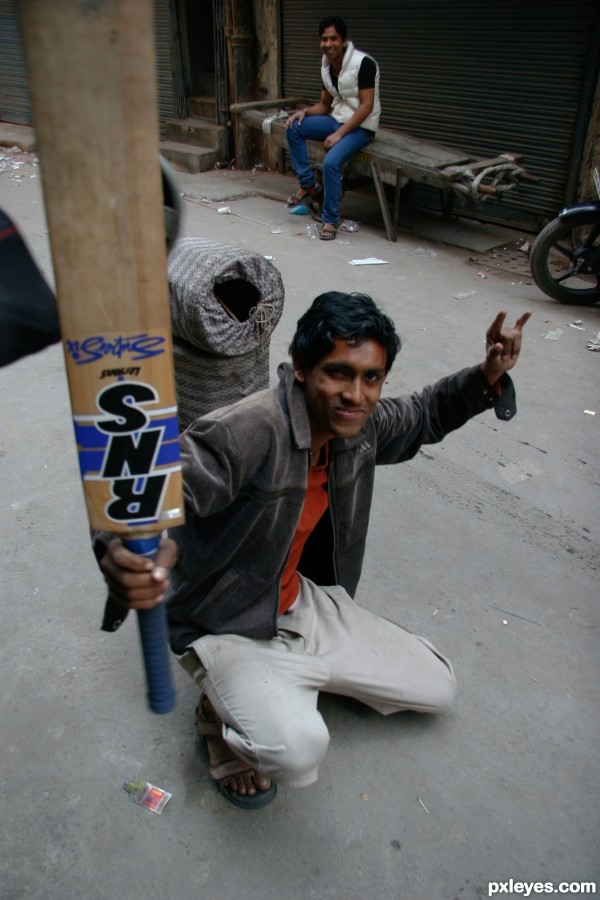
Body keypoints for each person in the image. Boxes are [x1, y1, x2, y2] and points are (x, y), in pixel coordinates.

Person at [98, 293, 531, 810]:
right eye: (339, 373)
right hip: (227, 620)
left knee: (439, 687)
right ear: (301, 368)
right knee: (298, 750)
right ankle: (220, 712)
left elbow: (422, 415)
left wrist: (486, 374)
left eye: (371, 378)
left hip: (297, 602)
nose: (356, 394)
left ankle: (291, 678)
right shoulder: (249, 429)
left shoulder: (358, 427)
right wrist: (124, 551)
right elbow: (152, 489)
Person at [284, 17, 380, 241]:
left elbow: (367, 106)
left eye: (333, 39)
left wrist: (339, 134)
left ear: (344, 40)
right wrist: (304, 112)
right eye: (324, 39)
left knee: (331, 162)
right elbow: (325, 105)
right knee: (293, 127)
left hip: (361, 127)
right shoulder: (327, 65)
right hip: (336, 119)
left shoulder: (364, 63)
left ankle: (330, 218)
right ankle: (308, 185)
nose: (328, 44)